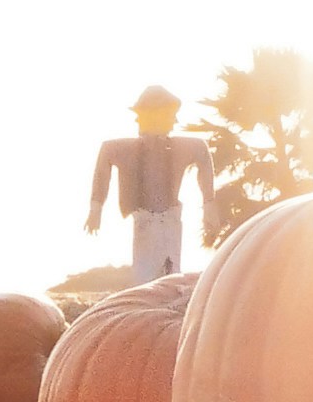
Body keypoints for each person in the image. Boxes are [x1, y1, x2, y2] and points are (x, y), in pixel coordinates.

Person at [87, 87, 218, 280]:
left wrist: (209, 204)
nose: (175, 122)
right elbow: (105, 155)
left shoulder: (180, 147)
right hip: (144, 223)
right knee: (148, 278)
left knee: (168, 277)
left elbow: (201, 152)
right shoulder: (125, 149)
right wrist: (95, 208)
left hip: (170, 221)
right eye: (171, 115)